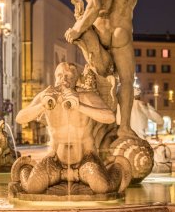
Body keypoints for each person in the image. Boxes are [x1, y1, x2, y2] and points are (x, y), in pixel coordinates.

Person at [65, 0, 138, 138]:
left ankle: (98, 128)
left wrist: (77, 29)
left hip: (102, 30)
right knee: (126, 81)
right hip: (123, 31)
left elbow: (95, 6)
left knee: (98, 78)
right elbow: (130, 5)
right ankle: (124, 127)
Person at [16, 62, 121, 194]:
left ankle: (114, 169)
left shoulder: (86, 96)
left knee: (102, 187)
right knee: (32, 187)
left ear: (76, 80)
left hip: (85, 159)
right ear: (55, 78)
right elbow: (20, 118)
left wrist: (79, 106)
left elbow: (110, 117)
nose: (63, 80)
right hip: (56, 159)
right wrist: (42, 105)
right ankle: (26, 169)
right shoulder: (47, 95)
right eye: (59, 76)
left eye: (68, 76)